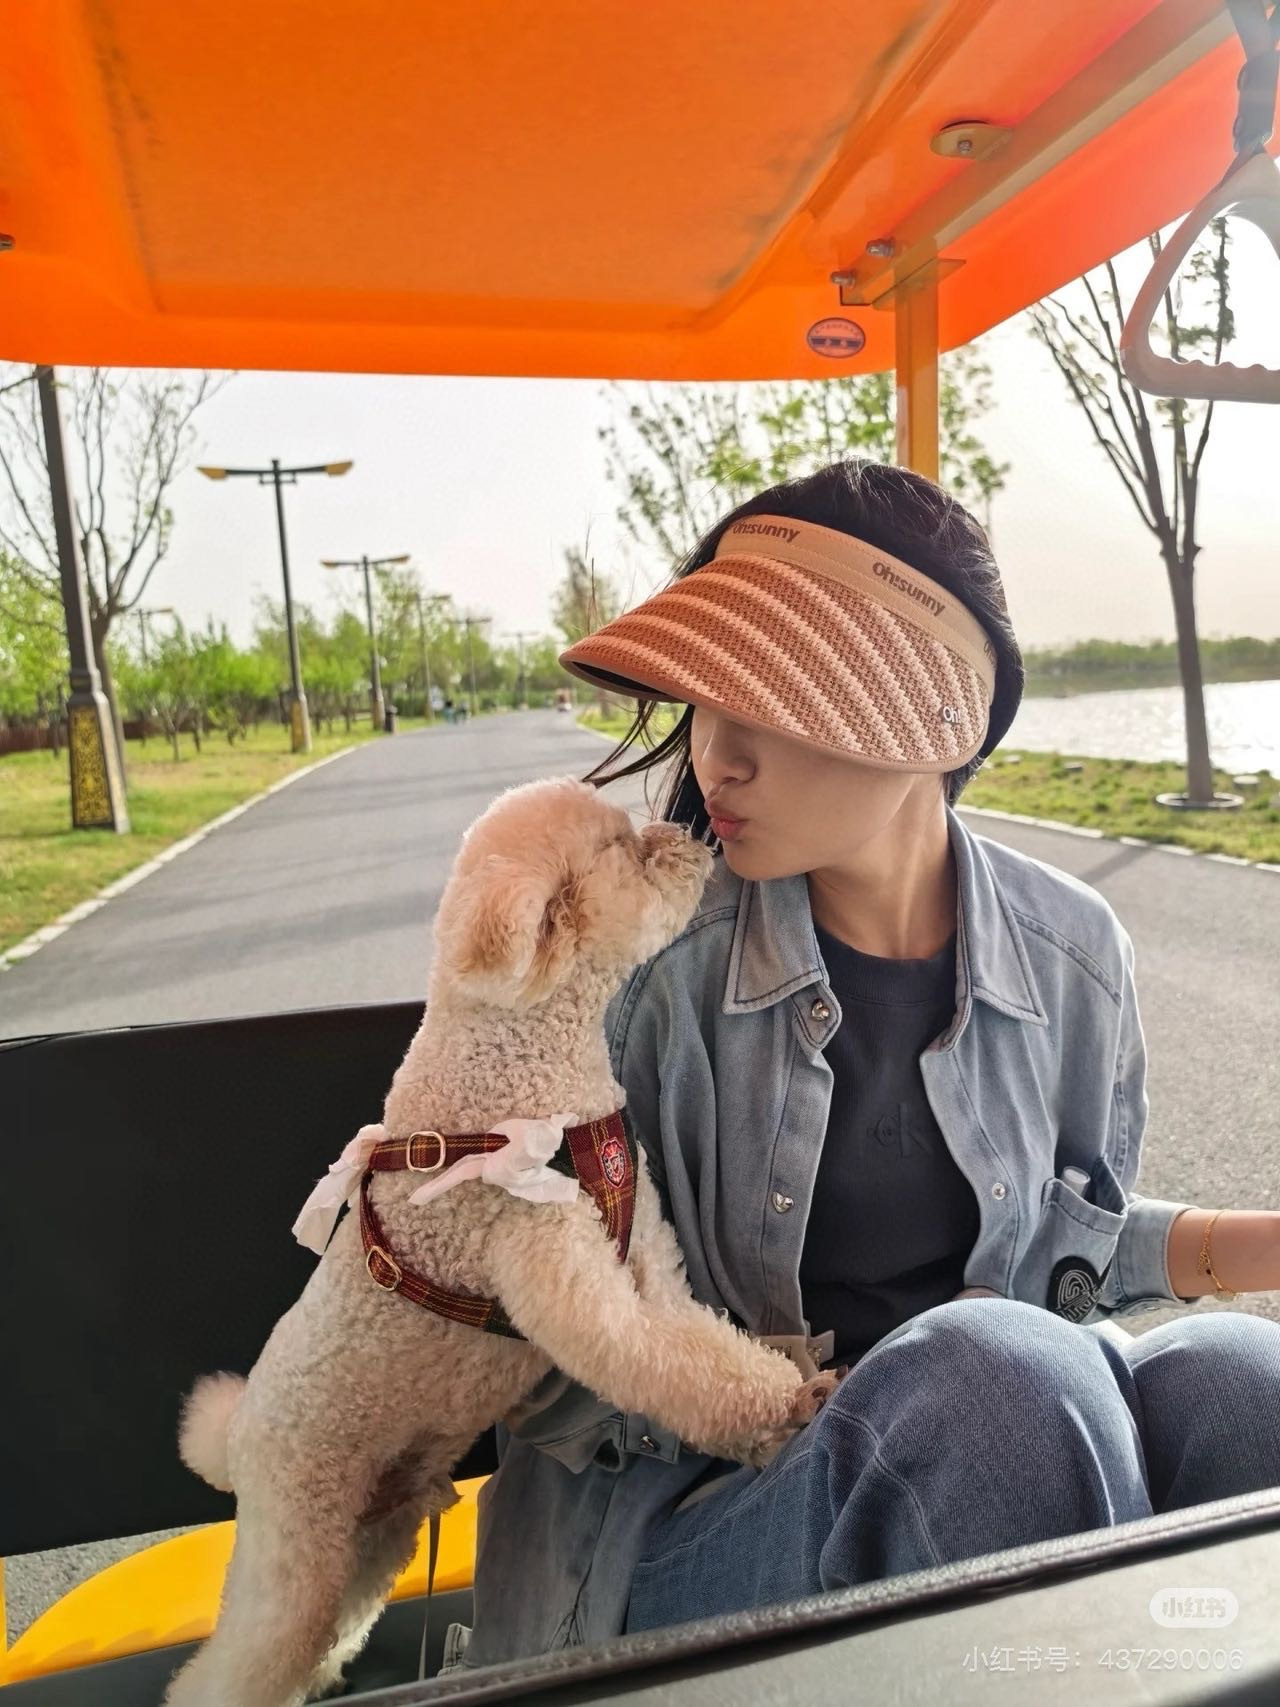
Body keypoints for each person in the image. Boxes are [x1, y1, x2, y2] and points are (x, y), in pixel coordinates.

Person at [453, 459, 1280, 1671]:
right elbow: (535, 1351)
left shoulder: (1071, 956)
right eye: (705, 699)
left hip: (989, 1444)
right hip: (685, 1526)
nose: (714, 756)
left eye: (769, 701)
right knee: (989, 1384)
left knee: (1241, 1380)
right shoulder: (631, 968)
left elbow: (1067, 1253)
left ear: (936, 720)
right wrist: (784, 1405)